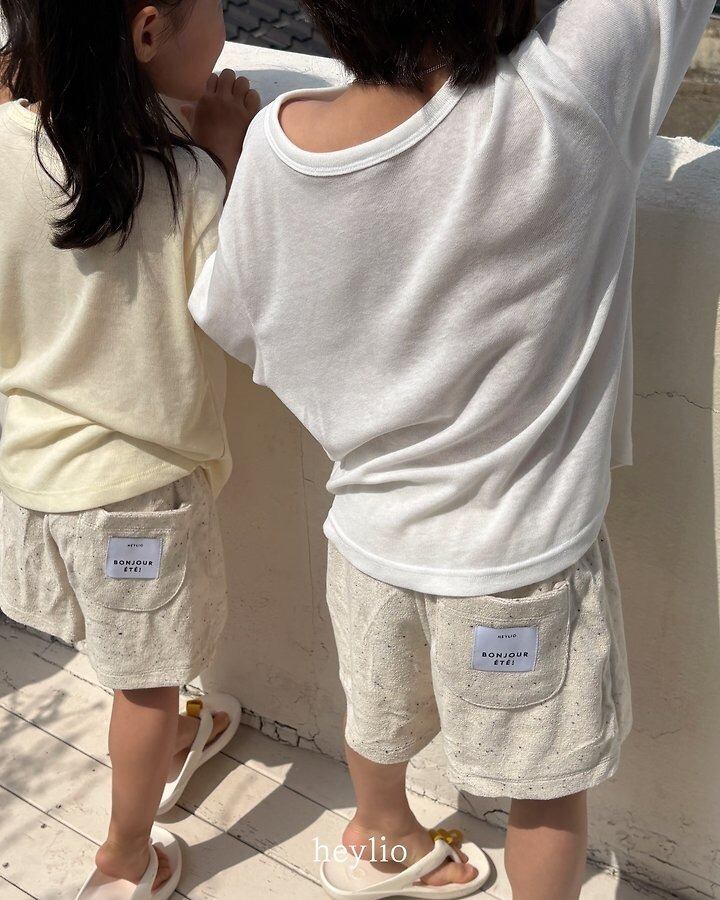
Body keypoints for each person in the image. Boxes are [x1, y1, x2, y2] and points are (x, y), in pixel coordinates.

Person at [189, 0, 716, 898]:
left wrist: (248, 169)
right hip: (520, 565)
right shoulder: (561, 99)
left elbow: (234, 314)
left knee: (378, 717)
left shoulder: (278, 144)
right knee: (543, 788)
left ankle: (379, 839)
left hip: (368, 541)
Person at [0, 1, 260, 895]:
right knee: (146, 683)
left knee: (121, 650)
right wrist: (230, 160)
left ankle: (179, 735)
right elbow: (241, 313)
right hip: (140, 498)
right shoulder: (184, 177)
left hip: (34, 478)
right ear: (147, 32)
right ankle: (124, 856)